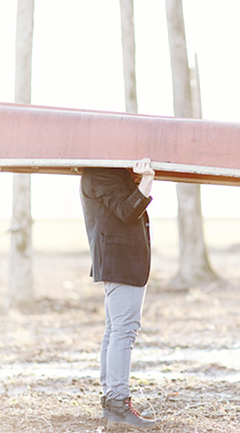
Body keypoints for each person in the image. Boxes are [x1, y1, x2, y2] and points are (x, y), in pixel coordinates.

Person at [80, 158, 157, 430]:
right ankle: (117, 404)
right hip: (121, 262)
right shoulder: (101, 172)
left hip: (118, 261)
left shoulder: (104, 172)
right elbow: (128, 211)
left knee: (115, 331)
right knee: (124, 331)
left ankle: (112, 400)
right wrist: (147, 178)